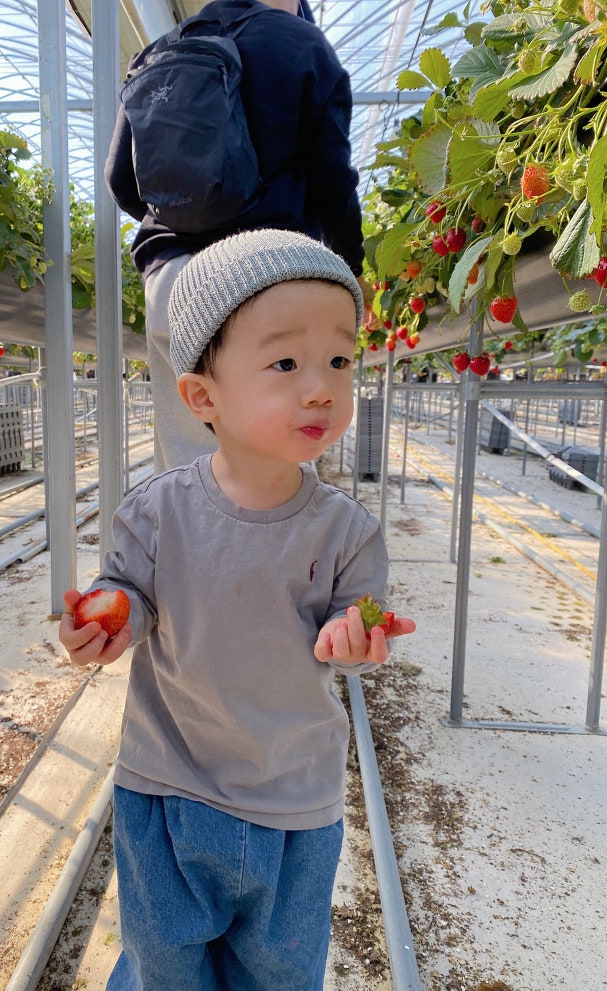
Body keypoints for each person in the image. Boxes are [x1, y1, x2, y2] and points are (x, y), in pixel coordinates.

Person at [59, 229, 415, 991]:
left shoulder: (347, 531)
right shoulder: (156, 513)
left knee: (280, 966)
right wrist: (110, 617)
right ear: (201, 396)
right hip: (168, 782)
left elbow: (355, 620)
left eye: (339, 361)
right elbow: (132, 593)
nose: (319, 386)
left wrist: (355, 637)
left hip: (294, 792)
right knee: (165, 959)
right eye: (285, 362)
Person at [107, 0, 366, 472]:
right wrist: (352, 265)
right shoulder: (303, 45)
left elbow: (122, 181)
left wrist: (185, 220)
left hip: (171, 280)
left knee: (187, 476)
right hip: (268, 280)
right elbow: (335, 184)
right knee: (276, 474)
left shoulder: (161, 52)